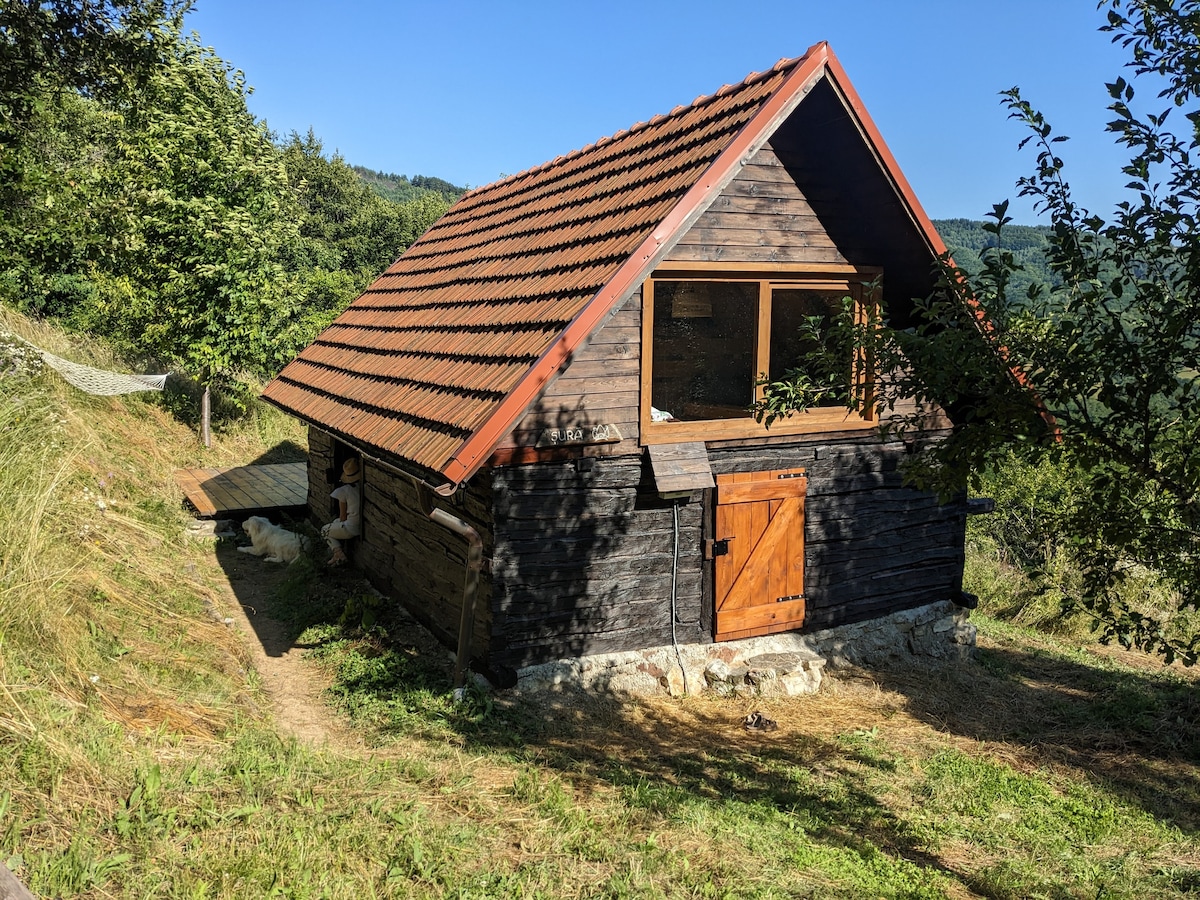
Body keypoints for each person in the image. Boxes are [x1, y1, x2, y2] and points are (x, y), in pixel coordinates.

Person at [322, 458, 361, 566]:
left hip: (351, 527)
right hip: (360, 525)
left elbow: (343, 516)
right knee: (335, 523)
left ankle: (338, 554)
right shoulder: (360, 488)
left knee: (324, 530)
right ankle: (338, 556)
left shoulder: (343, 491)